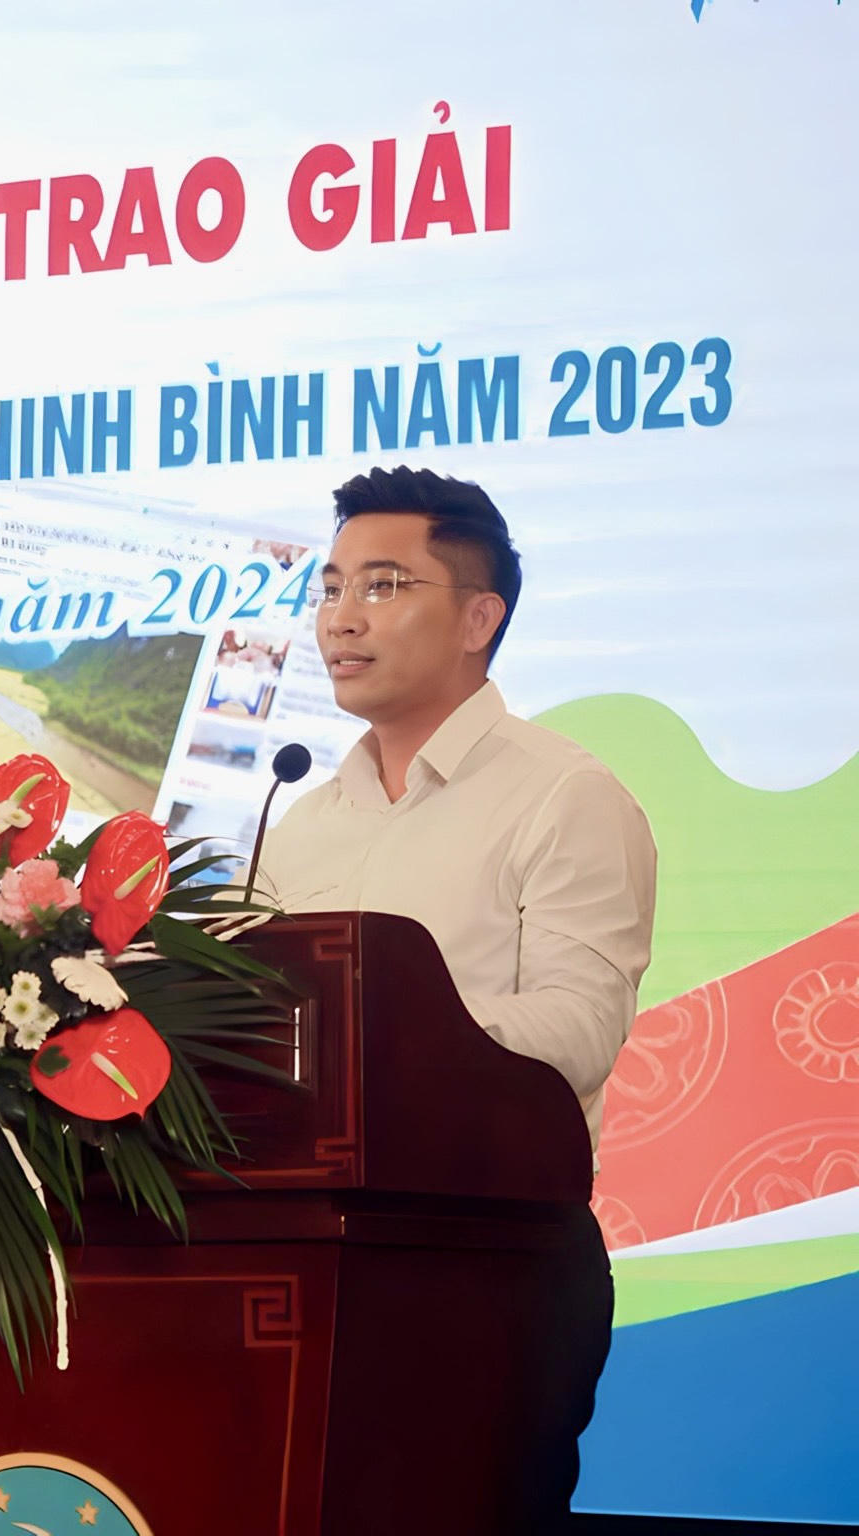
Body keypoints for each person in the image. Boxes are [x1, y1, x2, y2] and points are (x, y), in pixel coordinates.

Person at [255, 465, 657, 1533]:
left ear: (480, 618)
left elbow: (577, 1025)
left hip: (489, 1259)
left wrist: (381, 1043)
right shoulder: (302, 823)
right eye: (330, 587)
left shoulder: (562, 795)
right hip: (311, 1255)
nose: (341, 616)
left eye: (382, 585)